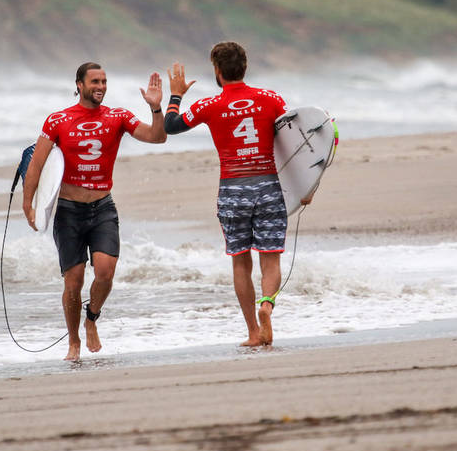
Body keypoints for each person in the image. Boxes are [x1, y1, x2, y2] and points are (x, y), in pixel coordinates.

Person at [165, 42, 308, 347]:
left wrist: (176, 94)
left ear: (216, 71)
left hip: (233, 190)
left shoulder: (210, 106)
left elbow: (171, 126)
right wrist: (306, 187)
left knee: (240, 261)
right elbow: (295, 145)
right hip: (268, 186)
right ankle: (267, 304)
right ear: (245, 66)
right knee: (270, 259)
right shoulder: (271, 99)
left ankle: (253, 332)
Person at [21, 62, 165, 361]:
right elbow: (36, 165)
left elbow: (156, 137)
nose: (100, 86)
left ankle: (92, 318)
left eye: (104, 81)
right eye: (94, 81)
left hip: (102, 207)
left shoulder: (118, 116)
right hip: (68, 211)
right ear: (79, 84)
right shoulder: (57, 120)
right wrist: (29, 203)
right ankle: (73, 342)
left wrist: (155, 108)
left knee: (105, 272)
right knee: (73, 281)